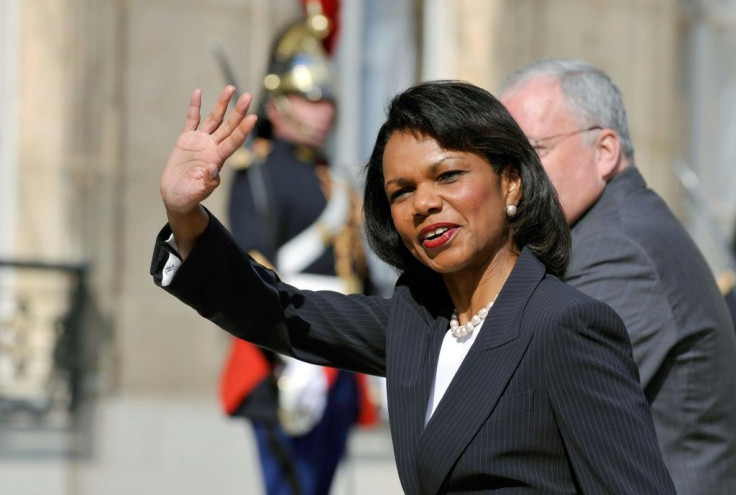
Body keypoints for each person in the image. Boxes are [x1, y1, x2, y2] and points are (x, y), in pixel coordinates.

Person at [152, 80, 675, 494]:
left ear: (510, 182)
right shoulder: (418, 322)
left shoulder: (566, 325)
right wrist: (185, 215)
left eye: (448, 176)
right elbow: (280, 313)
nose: (423, 203)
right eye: (402, 191)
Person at [498, 58, 736, 495]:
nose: (514, 180)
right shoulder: (603, 230)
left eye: (533, 151)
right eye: (503, 161)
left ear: (604, 151)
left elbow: (536, 418)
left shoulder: (619, 248)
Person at [217, 3, 378, 495]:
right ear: (277, 104)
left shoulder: (337, 183)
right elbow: (251, 261)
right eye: (310, 97)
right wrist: (285, 351)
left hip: (341, 353)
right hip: (284, 350)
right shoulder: (257, 172)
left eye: (327, 98)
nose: (325, 108)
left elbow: (359, 275)